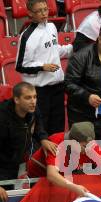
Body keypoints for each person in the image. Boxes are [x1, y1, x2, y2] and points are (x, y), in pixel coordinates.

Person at [26, 121, 101, 202]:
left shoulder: (91, 147)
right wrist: (75, 187)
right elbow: (52, 175)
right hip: (39, 176)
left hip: (66, 173)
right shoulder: (56, 143)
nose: (89, 150)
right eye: (85, 147)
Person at [15, 0, 73, 135]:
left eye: (45, 9)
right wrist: (42, 67)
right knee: (41, 130)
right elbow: (20, 66)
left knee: (58, 128)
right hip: (40, 92)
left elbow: (53, 49)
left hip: (58, 86)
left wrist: (71, 49)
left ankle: (56, 156)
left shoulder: (52, 27)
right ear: (30, 13)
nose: (44, 13)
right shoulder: (27, 36)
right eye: (39, 11)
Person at [0, 82, 56, 202]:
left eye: (35, 97)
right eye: (28, 97)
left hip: (18, 163)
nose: (33, 101)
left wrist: (43, 138)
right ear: (16, 99)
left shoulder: (32, 110)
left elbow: (38, 125)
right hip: (2, 166)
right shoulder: (2, 118)